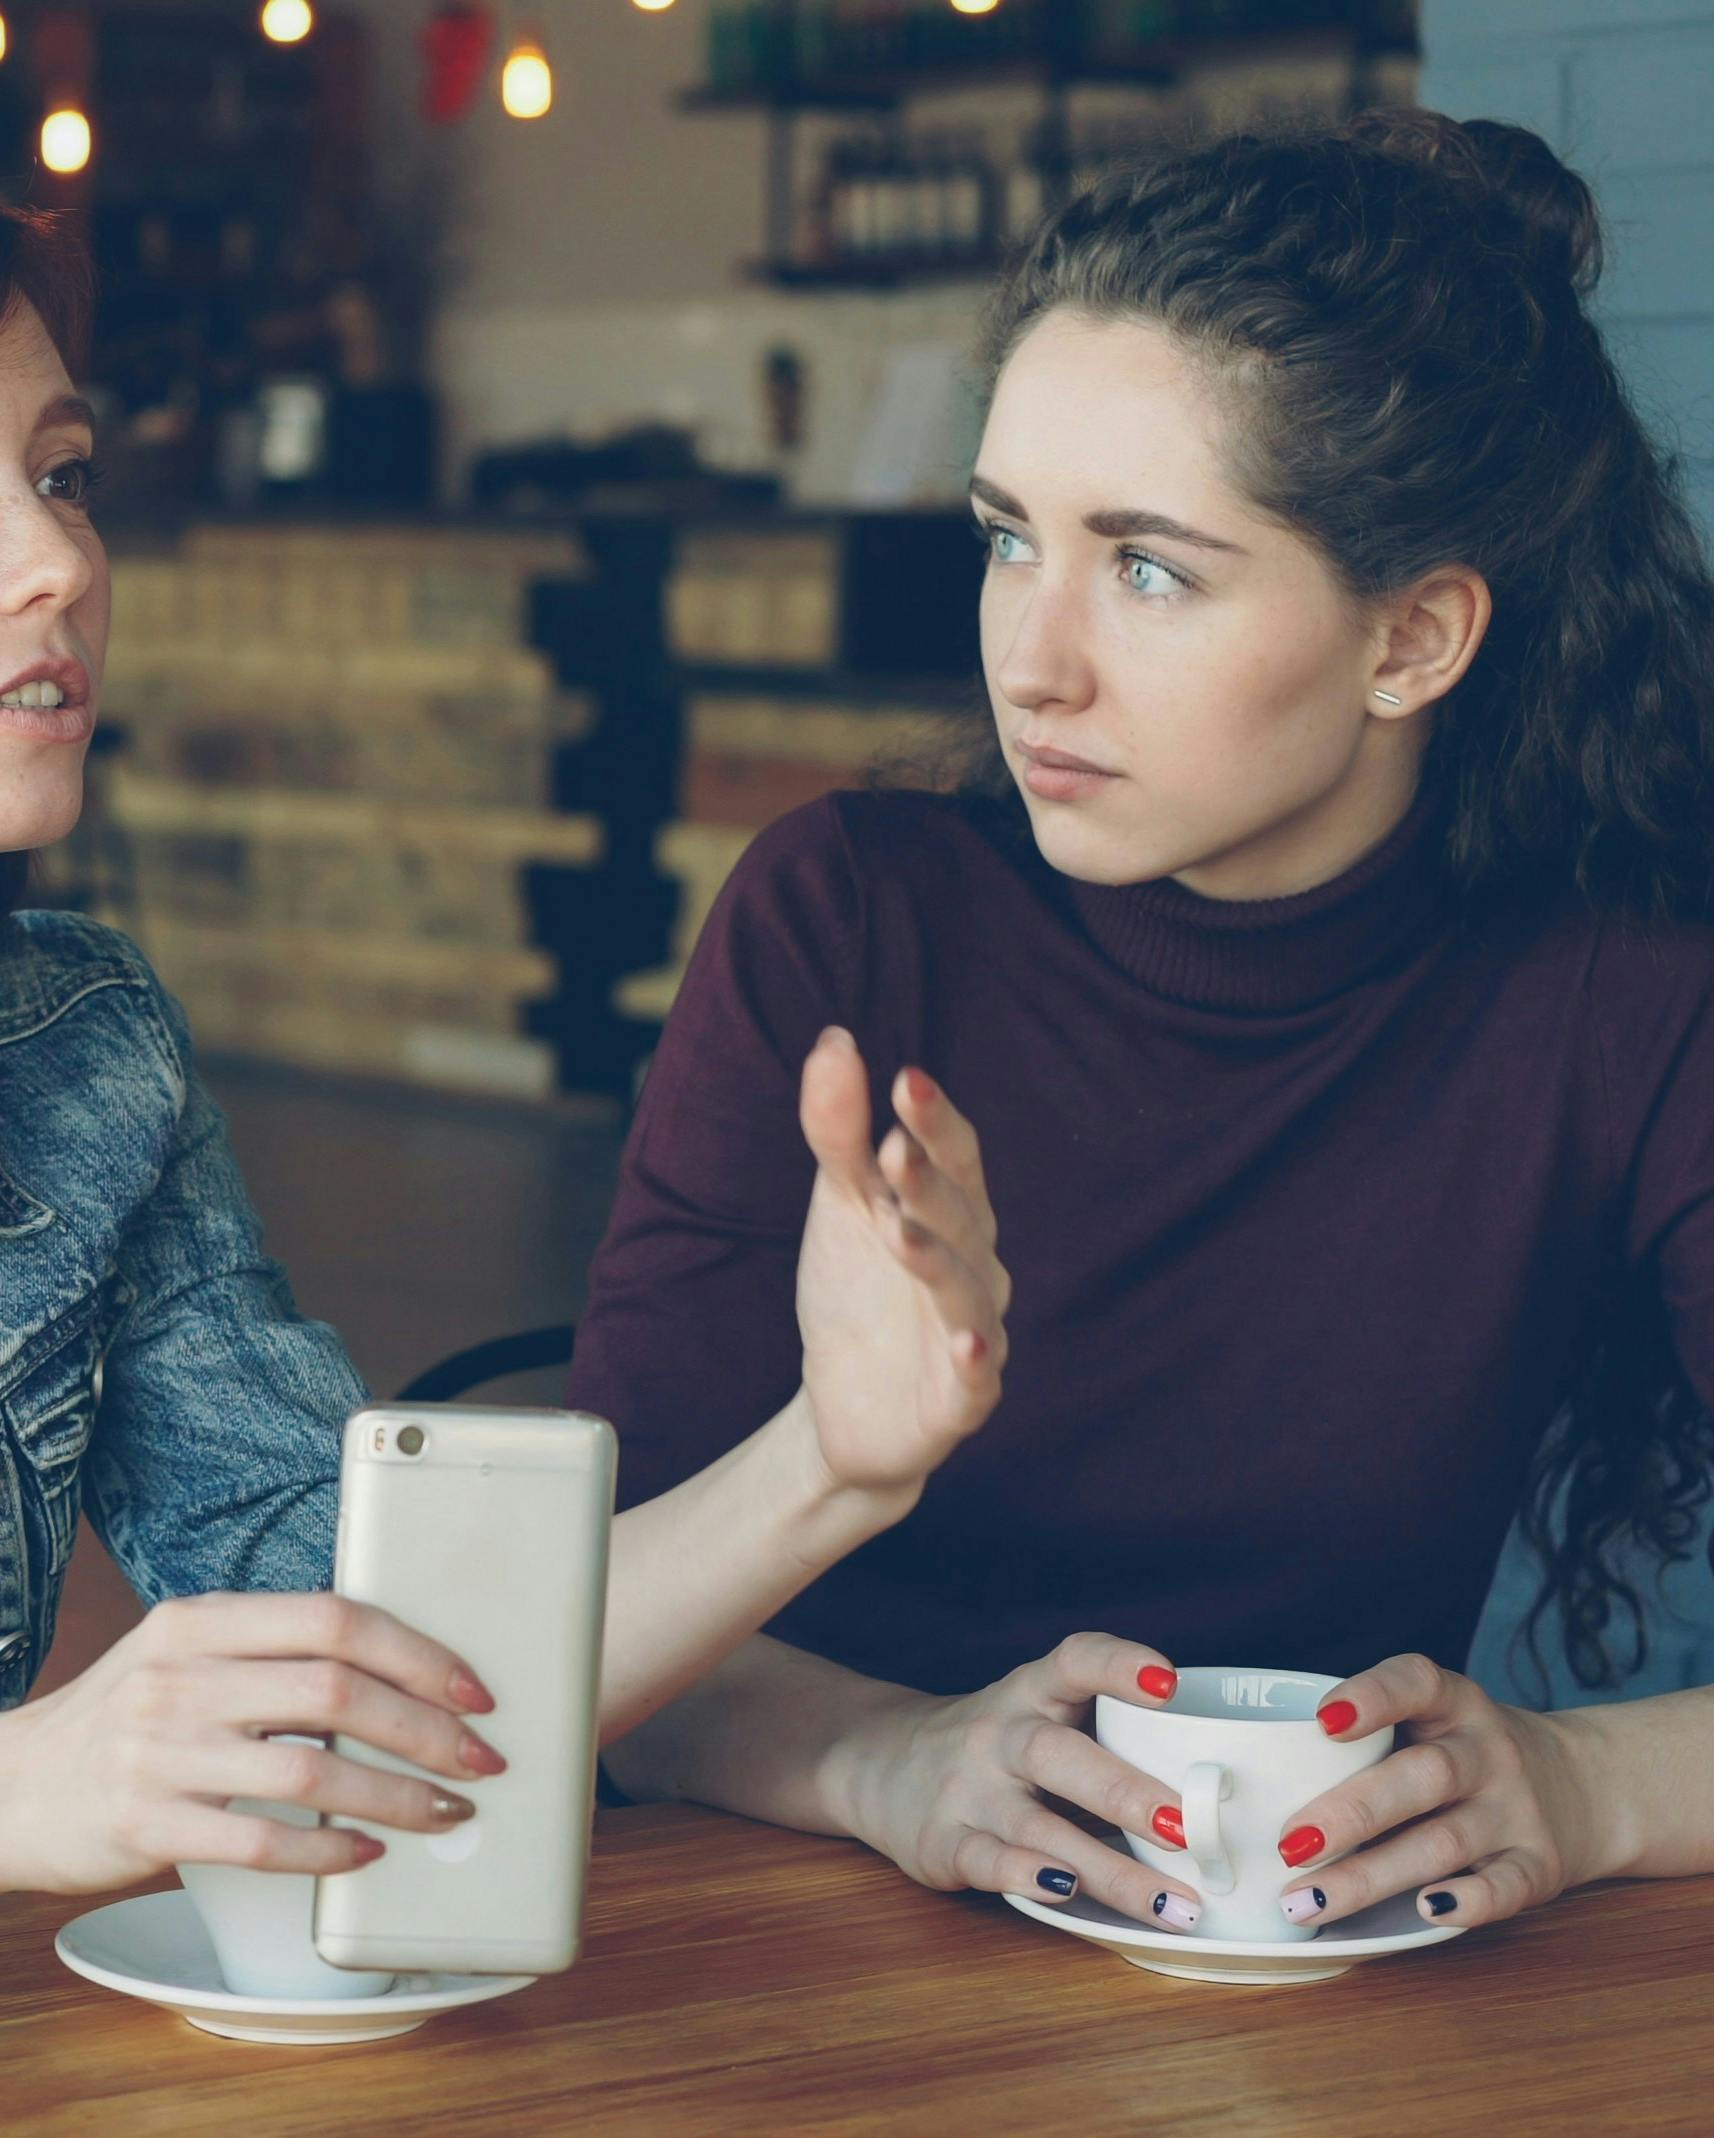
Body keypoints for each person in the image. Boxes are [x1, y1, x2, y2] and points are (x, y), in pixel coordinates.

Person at [572, 110, 1714, 1939]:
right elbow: (571, 1636)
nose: (1030, 656)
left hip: (1289, 2003)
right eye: (1009, 539)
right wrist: (886, 1759)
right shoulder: (847, 915)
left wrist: (1584, 1783)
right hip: (756, 1952)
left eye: (1147, 566)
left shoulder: (1631, 1024)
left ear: (1414, 640)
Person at [0, 207, 1007, 1897]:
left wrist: (833, 1458)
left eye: (63, 474)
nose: (59, 561)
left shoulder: (94, 1058)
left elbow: (380, 1651)